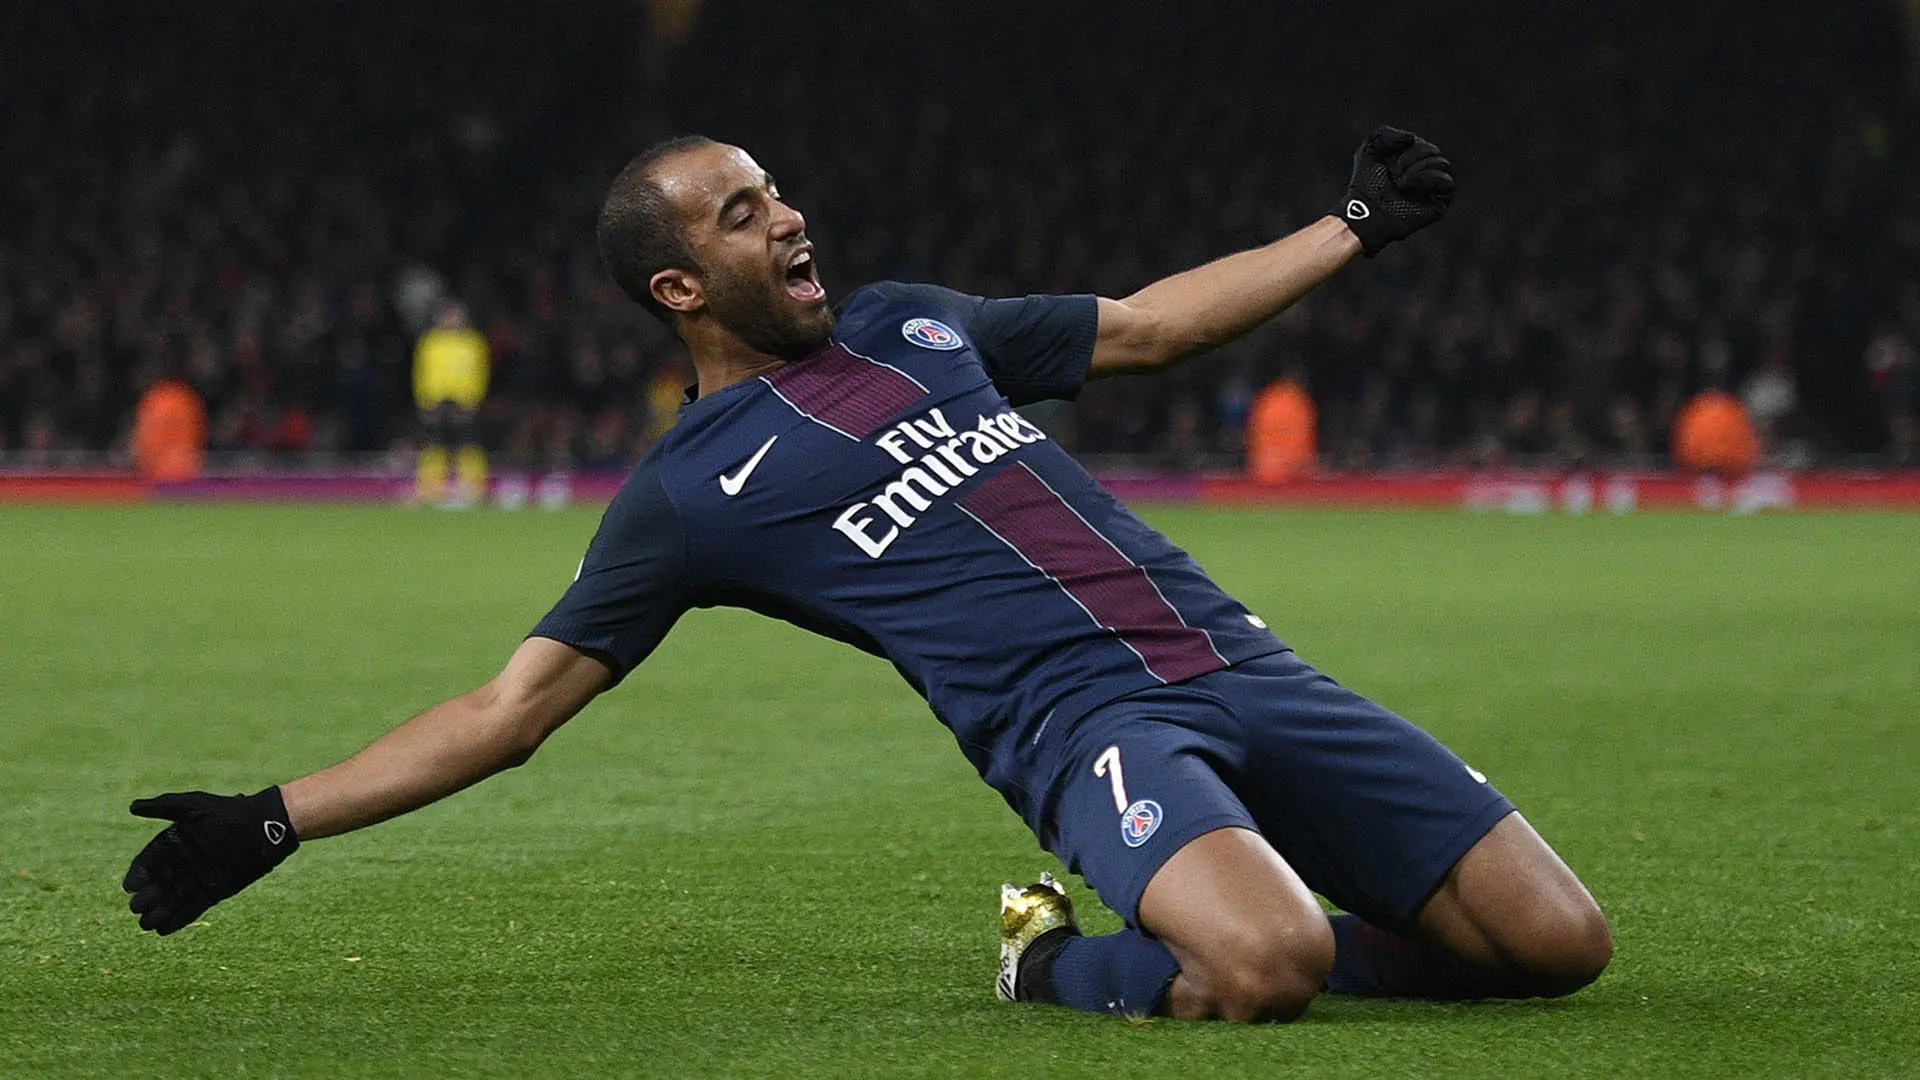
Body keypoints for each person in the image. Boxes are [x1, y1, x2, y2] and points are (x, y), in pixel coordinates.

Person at [123, 129, 1611, 1022]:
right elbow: (509, 709)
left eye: (773, 189)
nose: (786, 214)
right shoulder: (688, 495)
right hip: (1095, 730)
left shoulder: (915, 324)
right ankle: (1053, 965)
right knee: (1268, 965)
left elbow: (1153, 325)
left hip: (1237, 657)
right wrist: (274, 818)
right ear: (679, 288)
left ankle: (1254, 909)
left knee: (1557, 949)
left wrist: (1351, 228)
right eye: (740, 211)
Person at [412, 300, 491, 505]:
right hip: (436, 401)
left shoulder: (473, 343)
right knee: (434, 445)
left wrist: (473, 399)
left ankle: (474, 490)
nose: (450, 320)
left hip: (464, 402)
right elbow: (421, 373)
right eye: (446, 315)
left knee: (468, 445)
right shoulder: (430, 343)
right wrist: (425, 400)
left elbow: (480, 373)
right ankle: (430, 490)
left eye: (454, 315)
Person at [130, 368, 208, 482]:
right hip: (189, 470)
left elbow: (146, 435)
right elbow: (201, 431)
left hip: (158, 472)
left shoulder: (155, 400)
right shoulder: (188, 398)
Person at [1245, 365, 1317, 481]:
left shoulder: (1266, 400)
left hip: (1265, 470)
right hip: (1295, 470)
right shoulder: (1300, 402)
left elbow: (1254, 433)